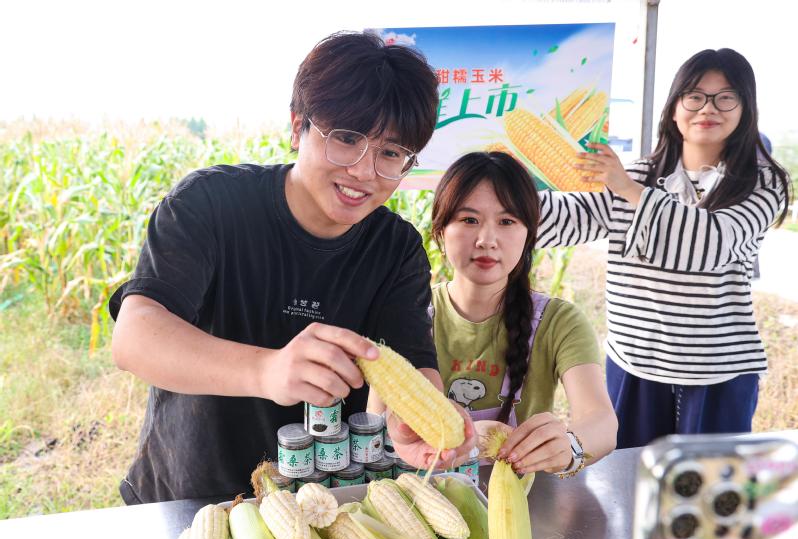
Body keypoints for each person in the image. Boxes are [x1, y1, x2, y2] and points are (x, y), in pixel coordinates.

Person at [109, 31, 474, 504]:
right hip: (190, 496)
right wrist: (267, 370)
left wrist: (416, 422)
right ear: (298, 126)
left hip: (318, 504)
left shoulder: (396, 248)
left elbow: (414, 361)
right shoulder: (209, 204)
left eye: (390, 153)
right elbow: (135, 337)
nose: (364, 172)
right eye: (346, 139)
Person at [537, 48, 793, 448]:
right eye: (694, 96)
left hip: (717, 373)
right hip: (634, 364)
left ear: (746, 109)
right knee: (627, 477)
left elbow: (709, 245)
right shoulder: (637, 175)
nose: (707, 108)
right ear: (674, 108)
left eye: (726, 97)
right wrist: (506, 195)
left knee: (706, 484)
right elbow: (571, 218)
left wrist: (628, 189)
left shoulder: (762, 183)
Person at [427, 151, 617, 476]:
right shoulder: (411, 316)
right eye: (469, 220)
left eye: (507, 221)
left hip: (525, 497)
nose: (487, 240)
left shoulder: (560, 322)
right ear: (441, 231)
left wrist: (570, 446)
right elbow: (378, 421)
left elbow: (601, 422)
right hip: (424, 493)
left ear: (529, 234)